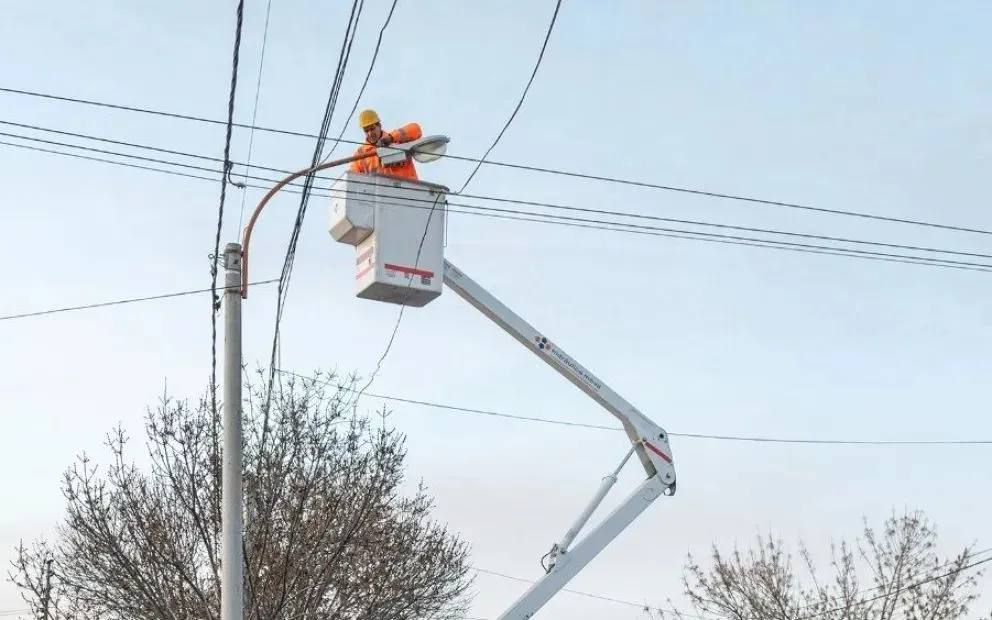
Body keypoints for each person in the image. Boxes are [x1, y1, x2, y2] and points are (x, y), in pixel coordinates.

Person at [349, 109, 424, 180]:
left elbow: (416, 129)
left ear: (379, 126)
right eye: (366, 131)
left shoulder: (398, 140)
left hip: (408, 190)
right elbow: (352, 177)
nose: (370, 133)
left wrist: (391, 137)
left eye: (372, 129)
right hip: (381, 193)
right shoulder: (361, 154)